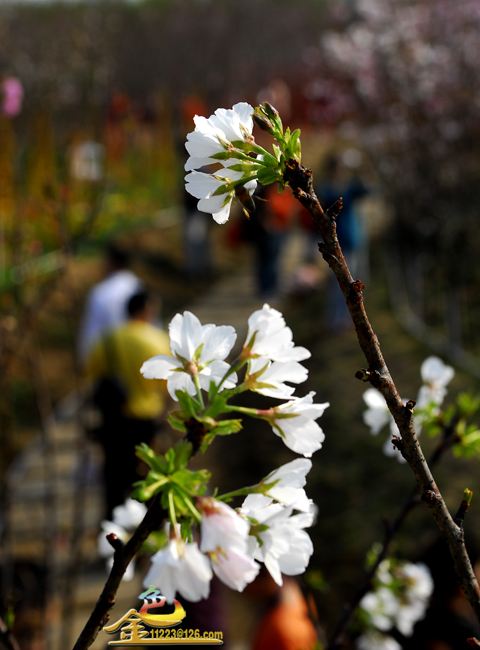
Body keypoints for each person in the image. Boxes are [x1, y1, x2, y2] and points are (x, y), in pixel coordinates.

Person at [86, 290, 171, 519]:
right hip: (144, 423)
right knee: (145, 481)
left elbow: (92, 374)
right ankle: (144, 538)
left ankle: (111, 534)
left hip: (112, 422)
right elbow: (169, 387)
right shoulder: (158, 340)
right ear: (146, 310)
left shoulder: (107, 339)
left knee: (113, 481)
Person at [77, 243, 143, 365]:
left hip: (109, 366)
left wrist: (85, 363)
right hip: (137, 362)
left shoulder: (99, 293)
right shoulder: (140, 288)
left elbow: (90, 338)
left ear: (111, 261)